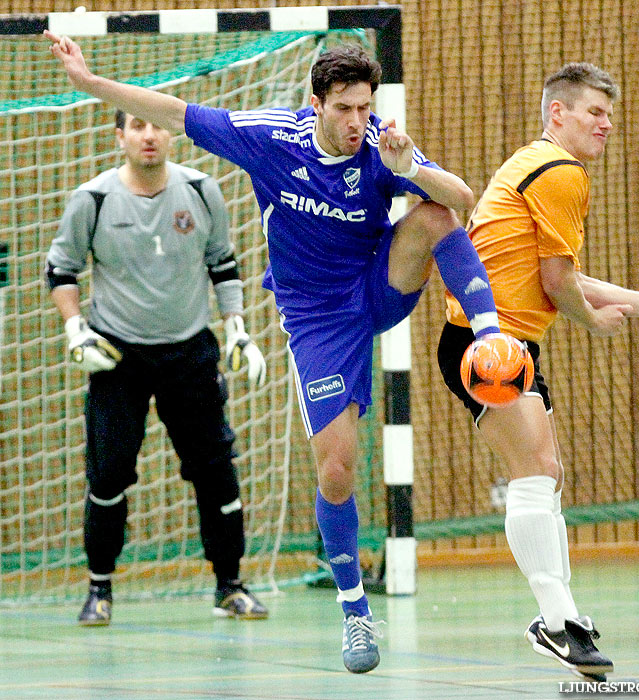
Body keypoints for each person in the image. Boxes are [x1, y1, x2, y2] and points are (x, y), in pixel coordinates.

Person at [44, 33, 505, 672]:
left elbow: (461, 199)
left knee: (432, 218)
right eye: (344, 108)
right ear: (316, 103)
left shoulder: (380, 146)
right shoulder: (270, 138)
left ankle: (491, 335)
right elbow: (175, 110)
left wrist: (410, 170)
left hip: (377, 282)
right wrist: (92, 83)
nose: (357, 122)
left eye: (365, 108)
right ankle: (355, 613)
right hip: (317, 320)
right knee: (337, 471)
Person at [437, 63, 639, 681]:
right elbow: (560, 286)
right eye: (594, 113)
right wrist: (594, 322)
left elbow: (563, 275)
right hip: (487, 343)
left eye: (610, 115)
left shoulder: (537, 163)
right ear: (558, 114)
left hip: (506, 341)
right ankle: (559, 624)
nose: (606, 125)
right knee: (535, 475)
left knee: (546, 477)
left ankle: (564, 620)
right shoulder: (560, 173)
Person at [45, 108, 270, 626]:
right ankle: (99, 588)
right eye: (138, 127)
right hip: (119, 356)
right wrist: (75, 327)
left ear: (171, 134)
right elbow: (61, 269)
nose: (149, 135)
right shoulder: (93, 199)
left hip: (190, 352)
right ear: (119, 135)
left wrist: (236, 328)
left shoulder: (200, 190)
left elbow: (223, 264)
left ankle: (229, 585)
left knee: (215, 470)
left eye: (158, 125)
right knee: (109, 474)